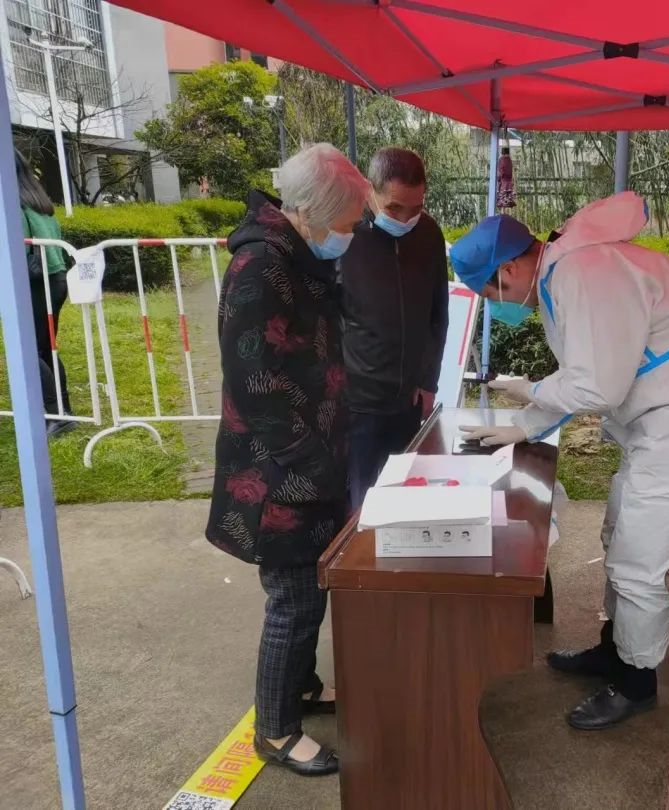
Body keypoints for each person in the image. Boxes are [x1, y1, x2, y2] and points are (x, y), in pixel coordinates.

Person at [449, 192, 669, 730]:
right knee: (618, 533)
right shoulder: (567, 270)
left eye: (491, 292)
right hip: (664, 421)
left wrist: (529, 398)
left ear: (509, 269)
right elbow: (589, 375)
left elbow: (596, 387)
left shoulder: (582, 272)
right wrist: (524, 423)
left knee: (641, 559)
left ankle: (636, 683)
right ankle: (615, 649)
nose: (498, 305)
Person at [205, 143, 370, 777]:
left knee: (308, 589)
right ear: (313, 213)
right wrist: (311, 461)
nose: (352, 234)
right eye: (349, 222)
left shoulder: (295, 255)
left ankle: (300, 686)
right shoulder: (259, 266)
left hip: (309, 459)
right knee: (294, 600)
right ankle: (275, 730)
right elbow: (255, 383)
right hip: (279, 469)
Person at [338, 147, 449, 511]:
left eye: (416, 208)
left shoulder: (428, 233)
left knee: (405, 499)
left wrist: (429, 381)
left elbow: (438, 314)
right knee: (362, 503)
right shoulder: (345, 233)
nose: (405, 218)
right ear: (370, 190)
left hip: (409, 399)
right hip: (357, 401)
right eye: (394, 208)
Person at [15, 150, 73, 437]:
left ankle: (55, 413)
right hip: (56, 279)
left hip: (35, 283)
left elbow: (17, 250)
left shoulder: (14, 205)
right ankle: (63, 410)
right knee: (46, 347)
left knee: (29, 350)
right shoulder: (40, 203)